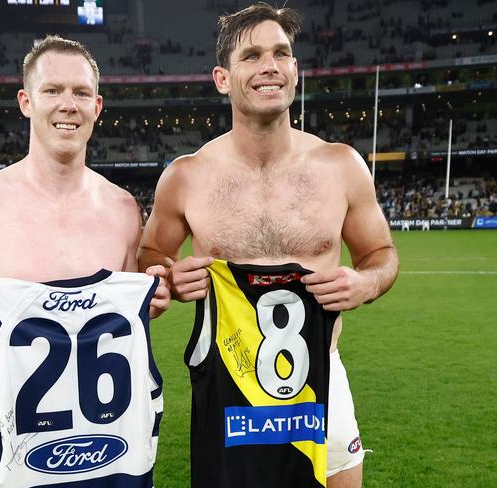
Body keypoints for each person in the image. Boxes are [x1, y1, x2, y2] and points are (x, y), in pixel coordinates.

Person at [138, 4, 398, 488]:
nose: (269, 66)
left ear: (296, 69)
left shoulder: (341, 166)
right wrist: (166, 278)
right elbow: (150, 256)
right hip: (228, 383)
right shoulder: (186, 177)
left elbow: (381, 255)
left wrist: (366, 282)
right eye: (252, 55)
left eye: (282, 53)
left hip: (321, 377)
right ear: (222, 77)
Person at [0, 35, 169, 488]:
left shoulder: (124, 209)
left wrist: (153, 300)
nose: (68, 104)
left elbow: (127, 318)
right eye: (53, 91)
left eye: (81, 93)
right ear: (26, 102)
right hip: (14, 449)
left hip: (110, 444)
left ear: (97, 106)